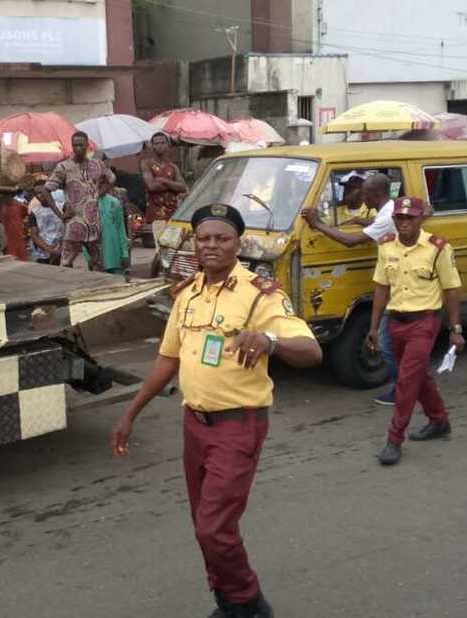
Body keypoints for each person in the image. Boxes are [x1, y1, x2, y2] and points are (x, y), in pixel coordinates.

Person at [110, 204, 322, 618]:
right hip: (195, 426)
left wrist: (270, 342)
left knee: (214, 528)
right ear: (194, 243)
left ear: (238, 245)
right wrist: (130, 412)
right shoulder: (187, 294)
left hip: (237, 425)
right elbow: (168, 360)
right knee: (204, 526)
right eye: (203, 238)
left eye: (221, 238)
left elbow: (311, 350)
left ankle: (248, 603)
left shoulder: (260, 294)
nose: (211, 245)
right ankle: (227, 601)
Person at [301, 173, 426, 406]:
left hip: (400, 282)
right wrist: (363, 222)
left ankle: (404, 390)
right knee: (401, 340)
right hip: (395, 278)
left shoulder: (388, 214)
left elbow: (351, 241)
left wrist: (318, 224)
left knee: (388, 345)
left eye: (365, 193)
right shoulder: (388, 211)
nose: (361, 196)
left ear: (375, 194)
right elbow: (380, 225)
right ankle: (413, 385)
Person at [365, 198, 464, 466]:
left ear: (421, 220)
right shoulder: (386, 246)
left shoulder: (438, 248)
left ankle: (394, 440)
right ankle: (439, 420)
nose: (404, 223)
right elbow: (381, 287)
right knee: (418, 377)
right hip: (395, 321)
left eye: (410, 218)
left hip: (425, 322)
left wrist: (455, 328)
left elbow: (451, 289)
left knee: (407, 381)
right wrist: (374, 327)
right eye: (400, 218)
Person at [37, 131, 115, 271]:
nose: (78, 148)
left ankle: (96, 288)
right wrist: (60, 215)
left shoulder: (97, 164)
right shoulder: (64, 167)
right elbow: (45, 190)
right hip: (74, 223)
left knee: (98, 262)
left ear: (87, 145)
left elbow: (111, 179)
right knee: (66, 264)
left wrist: (97, 195)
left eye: (81, 145)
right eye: (75, 145)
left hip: (94, 223)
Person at [141, 132, 188, 224]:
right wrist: (174, 186)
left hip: (173, 213)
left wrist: (164, 181)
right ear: (152, 146)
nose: (160, 146)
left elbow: (183, 187)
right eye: (157, 143)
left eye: (163, 143)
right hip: (155, 214)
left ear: (168, 145)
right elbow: (152, 186)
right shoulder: (146, 164)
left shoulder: (173, 167)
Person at [97, 176, 131, 274]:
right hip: (97, 257)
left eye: (103, 183)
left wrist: (125, 253)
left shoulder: (114, 203)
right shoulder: (87, 203)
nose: (100, 185)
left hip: (115, 255)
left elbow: (120, 229)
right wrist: (88, 256)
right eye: (97, 182)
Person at [28, 187, 66, 265]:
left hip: (62, 249)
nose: (41, 195)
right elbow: (34, 235)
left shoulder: (62, 207)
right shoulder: (35, 212)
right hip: (43, 252)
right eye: (37, 194)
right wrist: (49, 249)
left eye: (43, 192)